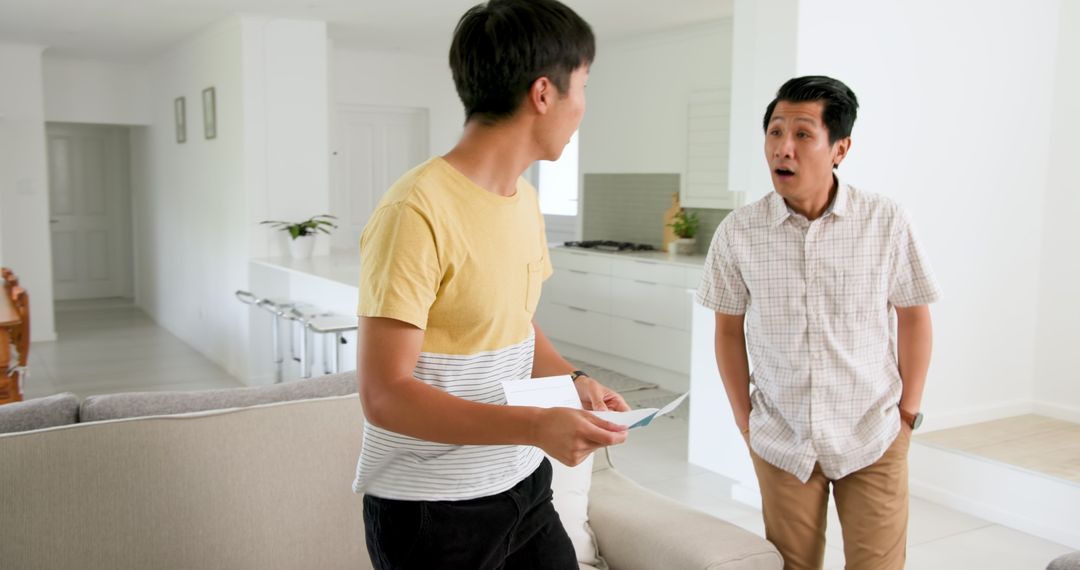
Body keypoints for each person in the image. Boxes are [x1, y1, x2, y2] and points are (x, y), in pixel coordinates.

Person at [352, 1, 631, 568]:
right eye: (582, 85)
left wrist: (572, 380)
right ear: (544, 93)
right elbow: (384, 395)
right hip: (434, 514)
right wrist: (535, 423)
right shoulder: (415, 210)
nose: (584, 107)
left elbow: (512, 323)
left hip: (524, 485)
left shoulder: (523, 199)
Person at [697, 75, 941, 570]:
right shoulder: (738, 233)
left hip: (873, 434)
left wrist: (907, 416)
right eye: (774, 132)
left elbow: (914, 316)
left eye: (803, 134)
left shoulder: (886, 221)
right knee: (792, 566)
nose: (782, 148)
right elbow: (728, 332)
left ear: (840, 148)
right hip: (782, 439)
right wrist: (747, 424)